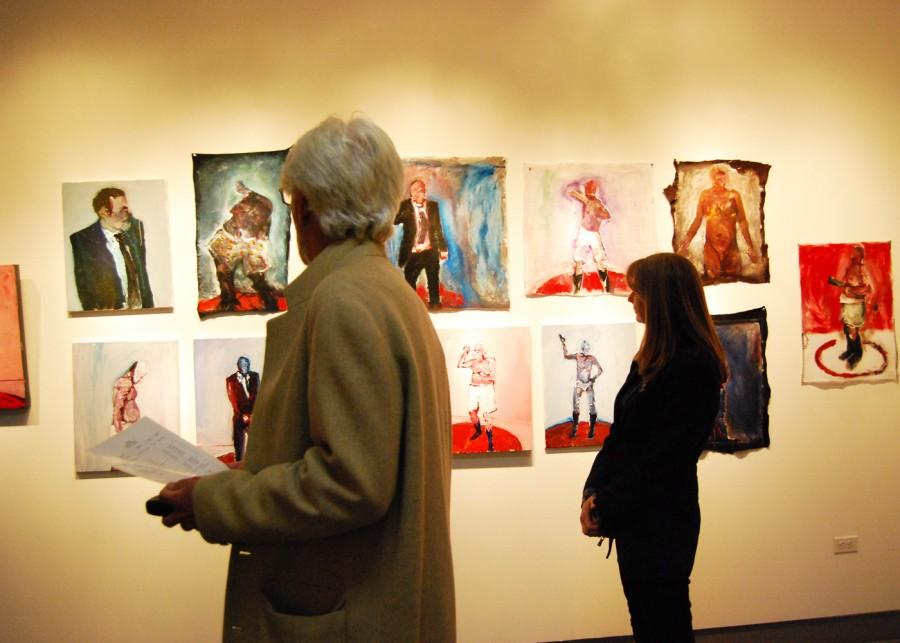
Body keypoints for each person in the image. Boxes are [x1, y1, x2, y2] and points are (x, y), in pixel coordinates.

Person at [157, 116, 455, 642]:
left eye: (294, 202)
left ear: (308, 208)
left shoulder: (344, 300)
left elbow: (350, 483)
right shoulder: (385, 291)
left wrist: (213, 502)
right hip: (369, 602)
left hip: (343, 614)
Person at [579, 252, 727, 642]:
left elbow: (665, 460)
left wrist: (607, 503)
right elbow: (620, 437)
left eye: (637, 291)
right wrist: (593, 492)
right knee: (647, 620)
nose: (631, 300)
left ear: (660, 298)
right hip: (636, 515)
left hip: (663, 520)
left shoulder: (695, 367)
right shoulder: (649, 361)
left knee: (664, 623)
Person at [70, 187, 154, 311]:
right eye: (122, 209)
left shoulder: (136, 229)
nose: (129, 212)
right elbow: (85, 288)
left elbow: (142, 277)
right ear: (104, 212)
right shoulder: (82, 240)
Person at [677, 165, 760, 282]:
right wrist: (687, 240)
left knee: (733, 280)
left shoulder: (734, 195)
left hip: (731, 247)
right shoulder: (705, 195)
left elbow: (742, 221)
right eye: (717, 177)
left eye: (723, 176)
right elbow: (698, 219)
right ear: (712, 178)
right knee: (712, 280)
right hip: (711, 248)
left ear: (727, 178)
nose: (720, 180)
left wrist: (750, 247)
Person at [207, 181, 281, 312]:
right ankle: (228, 300)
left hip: (250, 241)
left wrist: (262, 235)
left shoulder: (264, 209)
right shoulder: (241, 209)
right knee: (224, 272)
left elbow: (263, 228)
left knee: (256, 273)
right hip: (229, 239)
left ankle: (267, 297)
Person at [394, 178, 448, 308]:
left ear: (425, 192)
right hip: (413, 251)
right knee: (409, 279)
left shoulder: (432, 206)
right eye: (415, 191)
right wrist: (406, 212)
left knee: (433, 278)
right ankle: (410, 306)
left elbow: (437, 228)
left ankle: (435, 303)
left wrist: (442, 248)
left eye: (421, 190)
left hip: (430, 249)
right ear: (411, 193)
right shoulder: (405, 206)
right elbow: (394, 221)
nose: (419, 193)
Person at [829, 244, 873, 369]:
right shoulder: (851, 268)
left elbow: (868, 289)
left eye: (854, 254)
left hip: (855, 304)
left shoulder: (862, 269)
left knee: (853, 331)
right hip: (846, 302)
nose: (852, 256)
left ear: (859, 256)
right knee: (847, 329)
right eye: (852, 254)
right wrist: (838, 283)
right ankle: (850, 351)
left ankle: (857, 353)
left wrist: (852, 290)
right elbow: (847, 285)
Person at [567, 178, 612, 293]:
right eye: (587, 188)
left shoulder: (597, 203)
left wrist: (598, 212)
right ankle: (577, 290)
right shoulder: (586, 200)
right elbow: (573, 192)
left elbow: (607, 215)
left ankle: (606, 288)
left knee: (600, 260)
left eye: (590, 188)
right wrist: (586, 200)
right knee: (579, 261)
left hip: (594, 234)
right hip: (583, 232)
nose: (588, 190)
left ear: (594, 190)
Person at [558, 335, 602, 439]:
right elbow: (566, 355)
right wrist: (563, 344)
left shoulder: (592, 358)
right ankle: (575, 428)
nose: (583, 354)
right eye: (583, 351)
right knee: (576, 406)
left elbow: (600, 369)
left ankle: (591, 430)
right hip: (579, 383)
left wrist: (594, 377)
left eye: (585, 351)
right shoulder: (578, 356)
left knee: (592, 406)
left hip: (588, 383)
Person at [457, 344, 497, 452]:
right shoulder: (473, 361)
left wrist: (484, 375)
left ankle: (490, 444)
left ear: (483, 352)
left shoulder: (490, 361)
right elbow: (459, 365)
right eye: (474, 351)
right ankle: (478, 430)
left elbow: (493, 377)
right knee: (471, 412)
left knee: (486, 415)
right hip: (474, 388)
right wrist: (464, 352)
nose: (475, 353)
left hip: (486, 388)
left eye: (477, 351)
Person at [224, 356, 259, 461]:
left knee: (256, 441)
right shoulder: (231, 379)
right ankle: (238, 462)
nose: (243, 366)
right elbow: (233, 400)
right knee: (239, 443)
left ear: (248, 365)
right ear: (238, 366)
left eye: (245, 364)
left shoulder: (255, 376)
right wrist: (242, 415)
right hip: (239, 415)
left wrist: (252, 414)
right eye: (241, 364)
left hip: (252, 415)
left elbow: (256, 395)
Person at [111, 361, 148, 434]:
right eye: (141, 377)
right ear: (135, 372)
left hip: (130, 425)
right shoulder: (126, 383)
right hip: (126, 426)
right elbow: (117, 408)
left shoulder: (128, 382)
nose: (141, 380)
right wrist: (118, 428)